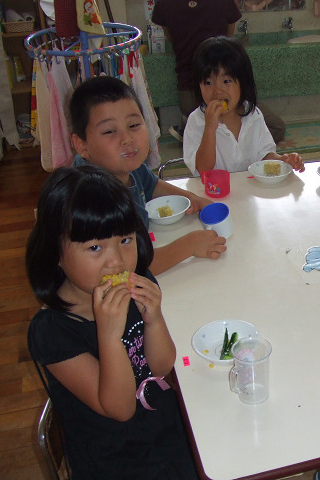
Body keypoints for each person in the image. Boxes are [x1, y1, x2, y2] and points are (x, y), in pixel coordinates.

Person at [26, 165, 200, 479]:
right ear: (56, 253)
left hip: (163, 428)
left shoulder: (136, 283)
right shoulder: (53, 331)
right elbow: (120, 409)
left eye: (125, 240)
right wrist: (109, 335)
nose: (117, 261)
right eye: (95, 247)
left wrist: (154, 319)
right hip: (114, 458)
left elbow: (160, 367)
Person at [69, 76, 226, 275]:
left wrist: (192, 198)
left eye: (133, 125)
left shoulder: (126, 165)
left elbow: (152, 185)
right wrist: (190, 245)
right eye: (109, 131)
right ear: (82, 145)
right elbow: (129, 266)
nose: (127, 139)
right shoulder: (91, 199)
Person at [150, 0, 286, 143]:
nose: (217, 90)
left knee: (217, 131)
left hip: (188, 96)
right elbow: (228, 40)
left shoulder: (165, 4)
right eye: (208, 82)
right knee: (274, 127)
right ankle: (195, 132)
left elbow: (171, 37)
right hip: (197, 95)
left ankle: (192, 130)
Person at [182, 36, 304, 174]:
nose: (217, 91)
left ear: (242, 83)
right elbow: (203, 168)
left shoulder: (253, 115)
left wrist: (282, 160)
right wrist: (210, 127)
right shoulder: (197, 121)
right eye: (208, 83)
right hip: (212, 188)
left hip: (249, 187)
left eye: (226, 81)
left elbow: (264, 156)